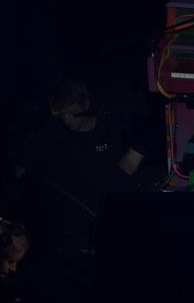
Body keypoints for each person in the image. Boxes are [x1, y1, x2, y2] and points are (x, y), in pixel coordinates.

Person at [14, 78, 145, 250]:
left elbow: (131, 160)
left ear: (86, 107)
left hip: (110, 220)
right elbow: (21, 169)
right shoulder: (50, 133)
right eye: (61, 114)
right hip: (69, 232)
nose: (66, 120)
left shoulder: (112, 128)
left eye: (71, 113)